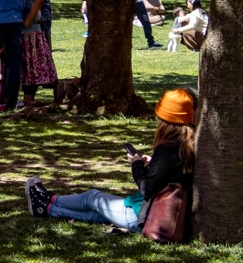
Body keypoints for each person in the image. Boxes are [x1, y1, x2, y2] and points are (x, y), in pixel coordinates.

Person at [25, 88, 197, 230]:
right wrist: (152, 163)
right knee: (96, 214)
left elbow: (146, 188)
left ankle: (51, 199)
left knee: (92, 197)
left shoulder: (168, 149)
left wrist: (136, 165)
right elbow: (171, 173)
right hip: (155, 215)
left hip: (143, 216)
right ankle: (46, 208)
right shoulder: (187, 144)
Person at [13, 0, 57, 106]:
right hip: (24, 33)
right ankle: (27, 97)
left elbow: (44, 8)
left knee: (32, 67)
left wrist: (33, 19)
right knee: (26, 67)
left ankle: (29, 97)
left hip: (31, 33)